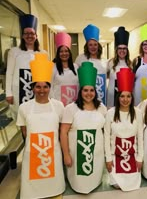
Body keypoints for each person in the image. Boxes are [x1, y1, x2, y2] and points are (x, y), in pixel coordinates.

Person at [16, 53, 65, 199]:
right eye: (38, 87)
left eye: (45, 87)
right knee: (33, 189)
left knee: (54, 189)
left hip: (53, 152)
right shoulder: (24, 107)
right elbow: (24, 131)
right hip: (33, 153)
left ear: (50, 88)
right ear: (32, 88)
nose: (42, 90)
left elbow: (61, 129)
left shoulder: (58, 106)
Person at [60, 62, 107, 194]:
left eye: (91, 90)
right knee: (79, 181)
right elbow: (63, 133)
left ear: (95, 92)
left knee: (94, 178)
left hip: (96, 153)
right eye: (85, 90)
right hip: (76, 153)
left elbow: (106, 131)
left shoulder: (102, 108)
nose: (89, 93)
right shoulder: (70, 109)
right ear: (80, 91)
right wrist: (66, 155)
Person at [104, 68, 143, 191]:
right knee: (116, 185)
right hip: (115, 155)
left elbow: (140, 137)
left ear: (132, 98)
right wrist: (108, 159)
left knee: (133, 184)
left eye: (128, 96)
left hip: (132, 154)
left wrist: (139, 158)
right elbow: (106, 137)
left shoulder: (138, 112)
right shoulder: (110, 113)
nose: (125, 99)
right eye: (122, 96)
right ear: (118, 97)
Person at [6, 14, 46, 119]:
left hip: (36, 89)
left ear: (36, 36)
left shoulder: (42, 53)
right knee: (22, 117)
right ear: (23, 36)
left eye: (32, 33)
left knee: (35, 116)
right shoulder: (14, 52)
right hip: (19, 89)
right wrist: (8, 93)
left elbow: (44, 74)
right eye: (26, 33)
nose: (29, 36)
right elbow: (9, 73)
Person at [75, 24, 107, 105]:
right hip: (86, 94)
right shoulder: (80, 59)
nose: (93, 47)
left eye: (95, 44)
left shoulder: (104, 60)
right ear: (87, 46)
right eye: (90, 45)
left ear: (98, 46)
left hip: (101, 94)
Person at [50, 32, 78, 106]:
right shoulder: (53, 67)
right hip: (58, 105)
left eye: (66, 51)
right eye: (61, 51)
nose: (64, 53)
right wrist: (54, 104)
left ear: (69, 52)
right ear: (58, 53)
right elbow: (50, 87)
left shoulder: (76, 67)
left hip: (74, 105)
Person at [107, 26, 132, 108]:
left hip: (126, 97)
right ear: (116, 50)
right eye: (120, 48)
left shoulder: (131, 64)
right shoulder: (110, 63)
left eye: (124, 48)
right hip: (112, 94)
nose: (122, 51)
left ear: (127, 50)